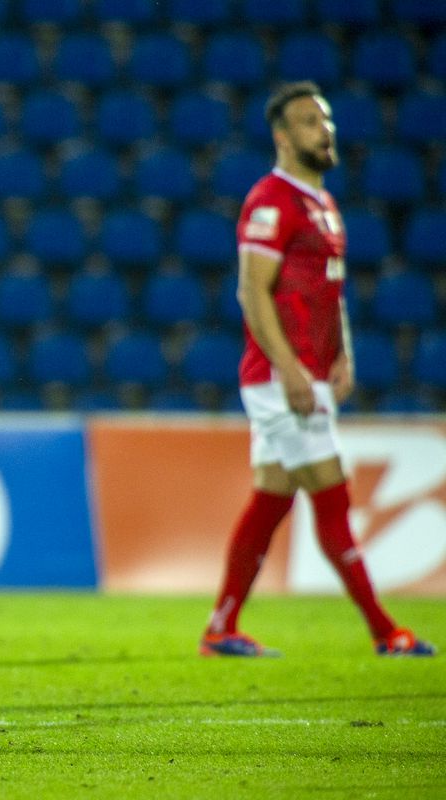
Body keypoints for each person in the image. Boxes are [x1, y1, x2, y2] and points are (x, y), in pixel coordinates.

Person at [199, 81, 435, 658]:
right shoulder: (270, 201)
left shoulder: (322, 205)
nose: (323, 130)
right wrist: (291, 371)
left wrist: (343, 351)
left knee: (272, 500)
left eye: (325, 119)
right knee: (332, 501)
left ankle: (221, 628)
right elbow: (252, 292)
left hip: (307, 374)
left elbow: (331, 293)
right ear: (282, 137)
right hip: (282, 380)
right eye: (308, 121)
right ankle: (386, 632)